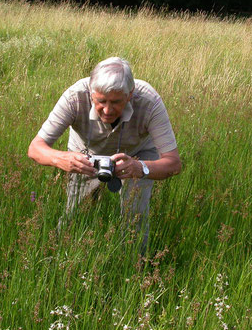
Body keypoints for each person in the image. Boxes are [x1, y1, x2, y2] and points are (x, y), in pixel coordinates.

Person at [27, 57, 181, 253]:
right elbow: (35, 148)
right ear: (91, 93)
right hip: (85, 154)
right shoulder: (74, 96)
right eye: (101, 101)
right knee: (74, 213)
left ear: (130, 94)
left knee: (136, 216)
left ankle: (135, 265)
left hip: (136, 155)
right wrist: (62, 159)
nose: (107, 110)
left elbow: (173, 163)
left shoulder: (149, 102)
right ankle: (61, 256)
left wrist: (139, 168)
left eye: (116, 102)